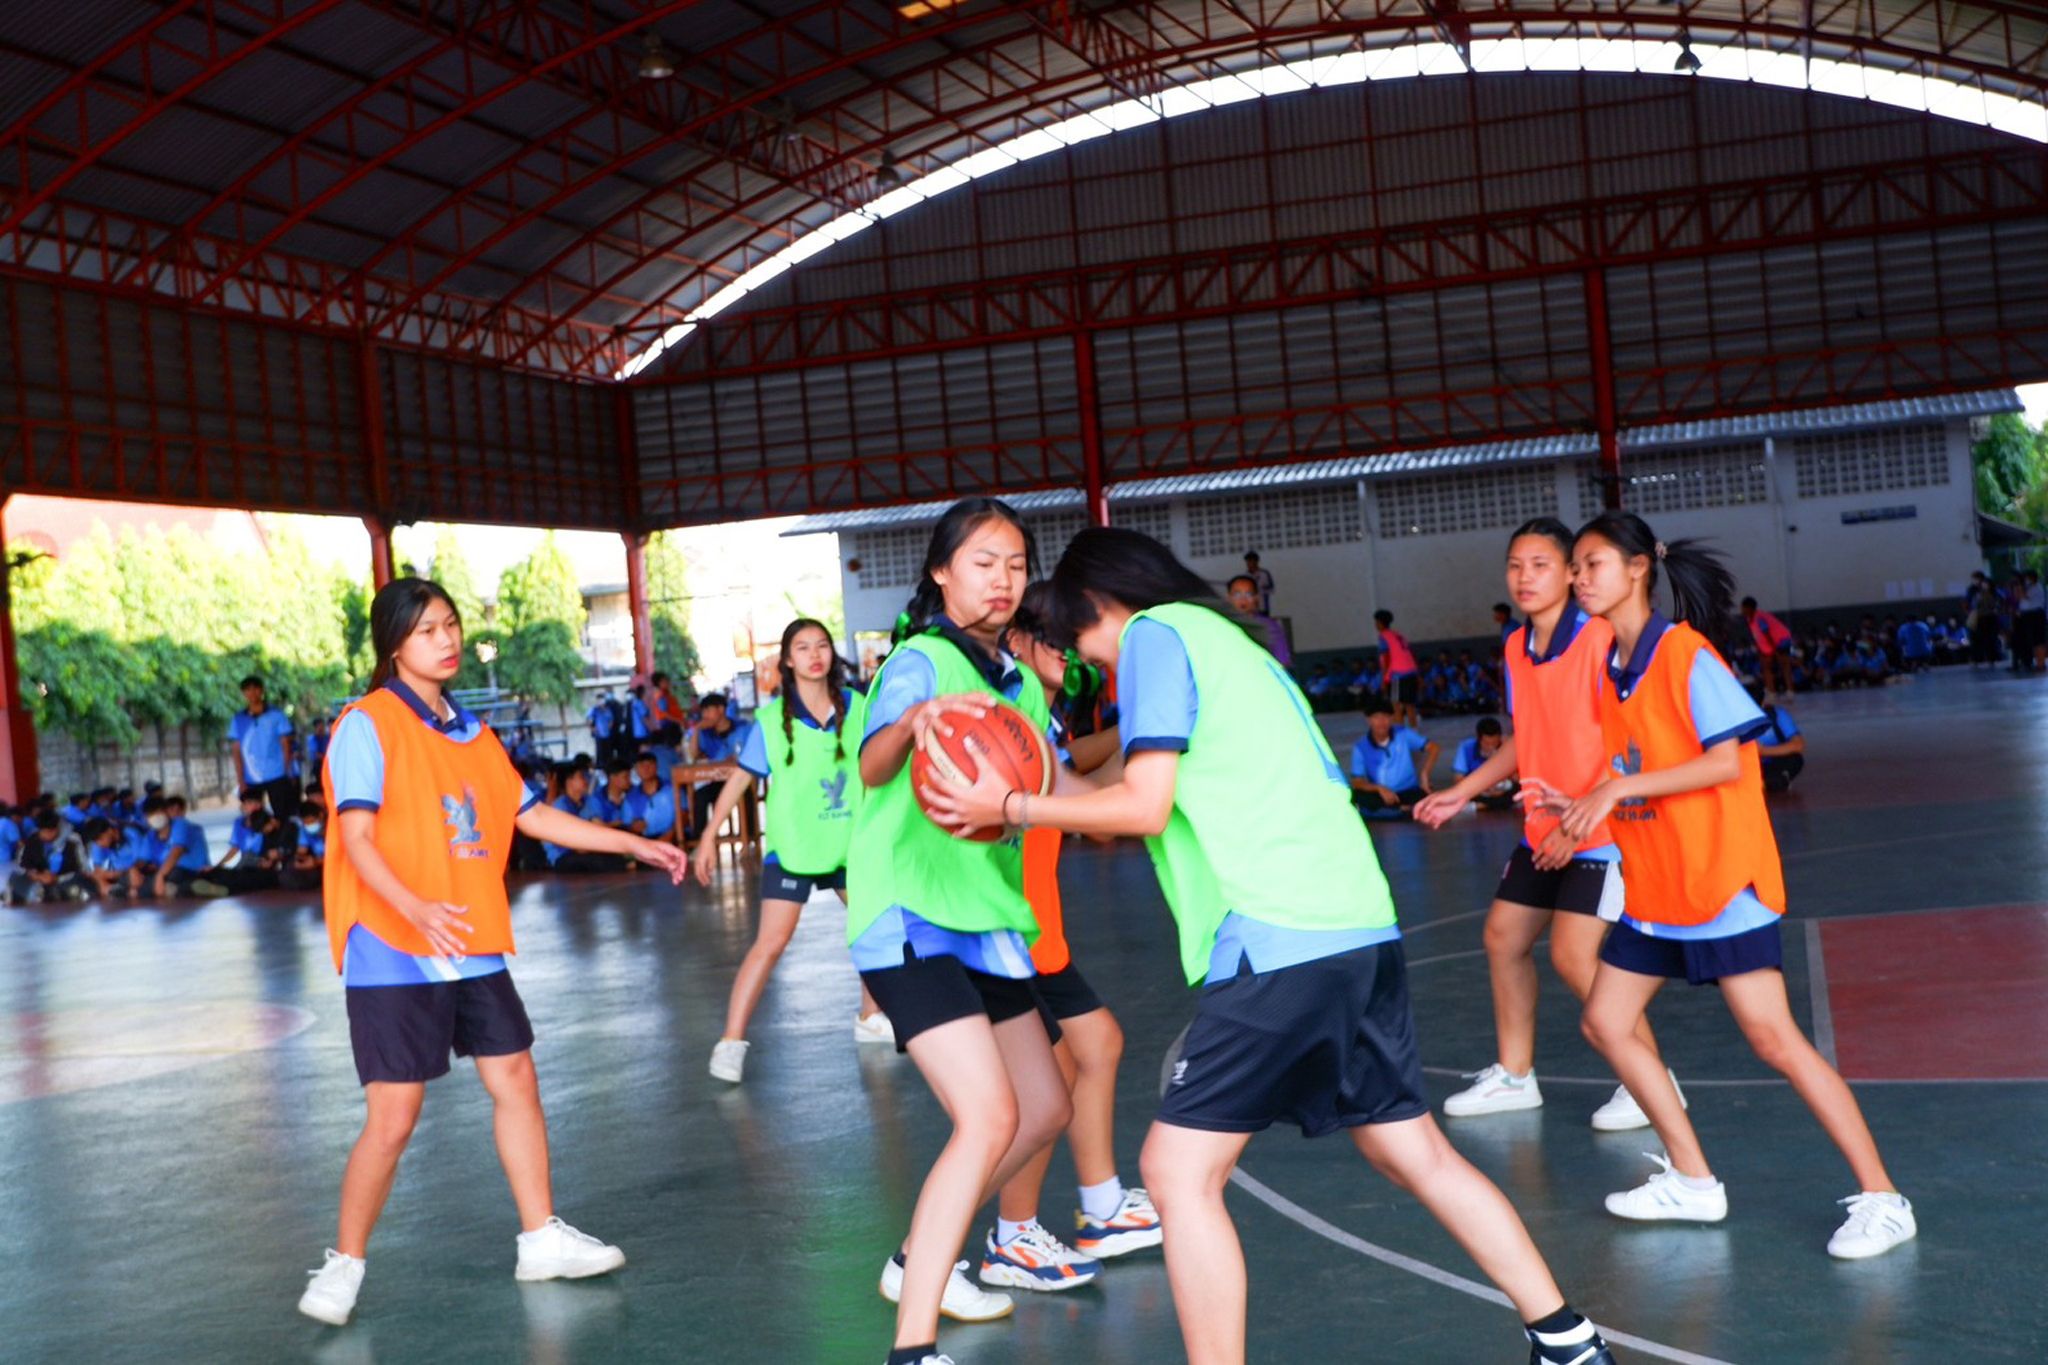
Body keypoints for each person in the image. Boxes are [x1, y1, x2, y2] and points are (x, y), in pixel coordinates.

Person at [920, 526, 1617, 1365]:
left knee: (1177, 1174)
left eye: (1085, 644)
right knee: (1412, 1148)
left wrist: (1013, 806)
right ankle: (1567, 1338)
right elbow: (1115, 787)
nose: (1097, 666)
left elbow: (1139, 807)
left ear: (1097, 607)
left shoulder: (1153, 637)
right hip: (1357, 925)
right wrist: (1029, 768)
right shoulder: (1227, 642)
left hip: (1281, 933)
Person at [296, 577, 688, 1328]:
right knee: (395, 1115)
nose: (445, 640)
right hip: (393, 944)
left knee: (516, 1076)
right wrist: (411, 905)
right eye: (426, 630)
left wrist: (633, 843)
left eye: (451, 626)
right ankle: (344, 1262)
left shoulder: (474, 735)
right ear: (393, 644)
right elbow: (356, 840)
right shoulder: (366, 725)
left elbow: (535, 817)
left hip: (470, 940)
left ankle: (540, 1235)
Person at [1552, 511, 1915, 1259]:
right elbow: (1633, 765)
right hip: (1657, 885)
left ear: (1637, 569)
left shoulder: (1686, 656)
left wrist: (1621, 790)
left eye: (1591, 564)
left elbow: (1724, 761)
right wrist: (1584, 805)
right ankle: (1692, 1178)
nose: (1577, 578)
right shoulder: (1611, 666)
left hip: (1719, 880)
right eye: (1575, 567)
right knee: (1606, 1021)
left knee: (1773, 1037)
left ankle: (1884, 1197)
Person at [850, 499, 1076, 1365]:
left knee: (1043, 1105)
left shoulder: (1017, 680)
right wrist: (911, 725)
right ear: (942, 571)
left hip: (985, 917)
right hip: (912, 914)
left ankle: (919, 1256)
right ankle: (913, 1348)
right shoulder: (921, 660)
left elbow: (1056, 787)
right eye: (985, 562)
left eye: (1017, 564)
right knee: (986, 1117)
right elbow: (873, 766)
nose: (1004, 579)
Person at [1416, 517, 1677, 1133]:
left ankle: (1649, 1081)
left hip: (1603, 830)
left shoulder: (1600, 640)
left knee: (1573, 956)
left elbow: (1625, 745)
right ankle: (1515, 1075)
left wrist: (1577, 825)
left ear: (1570, 573)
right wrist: (1462, 791)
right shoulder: (1515, 645)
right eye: (1515, 565)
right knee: (1504, 938)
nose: (1524, 577)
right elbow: (1524, 738)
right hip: (1543, 825)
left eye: (1539, 565)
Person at [979, 583, 1160, 1293]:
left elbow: (1076, 772)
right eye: (1049, 633)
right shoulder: (1012, 695)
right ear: (1018, 638)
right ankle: (1010, 1235)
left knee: (1099, 1044)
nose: (1064, 645)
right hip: (1009, 923)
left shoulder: (1037, 704)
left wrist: (1144, 745)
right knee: (1044, 1089)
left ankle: (1102, 1205)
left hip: (1037, 923)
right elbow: (1076, 796)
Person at [696, 618, 889, 1083]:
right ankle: (729, 1042)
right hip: (795, 848)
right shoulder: (770, 721)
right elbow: (739, 779)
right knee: (770, 944)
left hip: (848, 845)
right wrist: (708, 836)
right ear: (787, 660)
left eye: (822, 645)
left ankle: (870, 1018)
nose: (815, 654)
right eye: (803, 648)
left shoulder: (859, 708)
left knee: (871, 928)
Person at [1348, 694, 1435, 819]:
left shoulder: (1403, 733)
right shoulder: (1361, 747)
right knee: (1355, 795)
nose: (1381, 722)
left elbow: (1434, 748)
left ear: (1392, 718)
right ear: (1368, 720)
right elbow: (1357, 782)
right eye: (1376, 717)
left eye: (1385, 717)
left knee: (1424, 795)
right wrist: (1379, 789)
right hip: (1382, 795)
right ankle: (1404, 811)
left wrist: (1425, 774)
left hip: (1408, 791)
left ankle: (1391, 812)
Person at [229, 675, 299, 822]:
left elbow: (286, 745)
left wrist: (287, 772)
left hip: (277, 774)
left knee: (282, 816)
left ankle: (283, 844)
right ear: (243, 693)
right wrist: (241, 780)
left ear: (262, 690)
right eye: (248, 690)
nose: (252, 693)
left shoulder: (277, 715)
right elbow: (236, 752)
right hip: (251, 777)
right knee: (254, 818)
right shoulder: (238, 719)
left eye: (255, 689)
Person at [192, 804, 299, 898]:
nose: (264, 832)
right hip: (268, 866)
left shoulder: (290, 828)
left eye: (265, 829)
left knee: (251, 879)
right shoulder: (267, 833)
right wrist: (266, 860)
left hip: (281, 868)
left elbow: (294, 850)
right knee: (245, 870)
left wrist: (279, 856)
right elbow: (264, 851)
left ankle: (222, 885)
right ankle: (213, 874)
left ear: (271, 821)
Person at [540, 766, 631, 872]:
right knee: (599, 861)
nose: (586, 780)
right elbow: (576, 845)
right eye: (581, 777)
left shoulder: (586, 801)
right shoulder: (561, 806)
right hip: (563, 856)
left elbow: (600, 827)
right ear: (569, 781)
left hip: (584, 848)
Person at [684, 692, 741, 834]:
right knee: (700, 796)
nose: (704, 715)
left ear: (721, 709)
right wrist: (697, 729)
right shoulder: (705, 733)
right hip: (717, 781)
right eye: (703, 711)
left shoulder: (741, 727)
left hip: (740, 780)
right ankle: (699, 841)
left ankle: (750, 839)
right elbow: (693, 756)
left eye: (708, 710)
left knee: (746, 795)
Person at [12, 811, 90, 903]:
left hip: (65, 879)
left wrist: (57, 878)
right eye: (42, 832)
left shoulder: (72, 840)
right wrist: (35, 874)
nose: (46, 835)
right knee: (15, 878)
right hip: (39, 880)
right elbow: (23, 863)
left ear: (58, 828)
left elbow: (82, 867)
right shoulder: (33, 840)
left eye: (50, 832)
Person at [1451, 716, 1518, 812]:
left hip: (1503, 789)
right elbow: (1458, 779)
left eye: (1494, 743)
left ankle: (1483, 806)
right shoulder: (1466, 747)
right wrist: (1483, 788)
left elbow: (1519, 778)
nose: (1490, 747)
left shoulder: (1507, 746)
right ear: (1478, 738)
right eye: (1486, 744)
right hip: (1478, 790)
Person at [1372, 609, 1420, 731]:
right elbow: (1410, 654)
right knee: (1409, 706)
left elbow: (1386, 658)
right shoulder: (1398, 635)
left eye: (1376, 622)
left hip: (1398, 674)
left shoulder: (1384, 636)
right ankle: (1414, 733)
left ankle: (1400, 735)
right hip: (1411, 672)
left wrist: (1384, 678)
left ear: (1380, 623)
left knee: (1396, 705)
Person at [1225, 574, 1290, 665]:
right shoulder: (1221, 625)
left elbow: (1282, 660)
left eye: (1248, 594)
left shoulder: (1270, 626)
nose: (1243, 600)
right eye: (1237, 594)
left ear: (1256, 598)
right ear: (1228, 598)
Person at [81, 816, 149, 898]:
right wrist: (102, 882)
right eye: (96, 841)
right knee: (83, 879)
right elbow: (97, 869)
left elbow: (141, 861)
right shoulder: (97, 845)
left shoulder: (131, 834)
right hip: (114, 875)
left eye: (100, 839)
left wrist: (132, 869)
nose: (99, 844)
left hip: (136, 873)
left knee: (134, 880)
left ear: (110, 831)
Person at [1740, 598, 1795, 699]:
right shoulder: (1749, 620)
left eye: (1743, 608)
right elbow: (1757, 636)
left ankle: (1790, 692)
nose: (1741, 610)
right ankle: (1771, 692)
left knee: (1785, 665)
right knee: (1766, 667)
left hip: (1781, 640)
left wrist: (1775, 651)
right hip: (1769, 644)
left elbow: (1767, 633)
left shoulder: (1760, 617)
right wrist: (1760, 649)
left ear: (1749, 608)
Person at [1756, 697, 1806, 792]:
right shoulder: (1732, 718)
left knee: (1795, 759)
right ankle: (1763, 784)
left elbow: (1798, 745)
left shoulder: (1776, 714)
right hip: (1746, 765)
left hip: (1772, 763)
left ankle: (1768, 783)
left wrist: (1763, 751)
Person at [281, 799, 329, 892]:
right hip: (314, 862)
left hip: (330, 863)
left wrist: (316, 862)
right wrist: (300, 861)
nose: (308, 826)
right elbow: (301, 850)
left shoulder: (334, 828)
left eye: (311, 822)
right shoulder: (304, 830)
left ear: (321, 815)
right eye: (305, 823)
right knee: (289, 870)